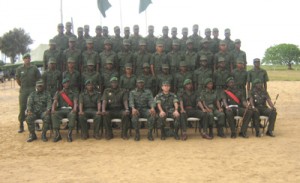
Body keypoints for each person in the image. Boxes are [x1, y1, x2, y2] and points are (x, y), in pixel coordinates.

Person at [16, 53, 41, 133]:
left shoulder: (34, 68)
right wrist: (22, 86)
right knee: (22, 107)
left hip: (32, 90)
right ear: (23, 59)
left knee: (34, 106)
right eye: (25, 58)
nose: (27, 59)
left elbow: (39, 78)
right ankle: (21, 125)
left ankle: (36, 124)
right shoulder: (19, 69)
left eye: (28, 58)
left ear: (30, 59)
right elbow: (18, 80)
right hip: (23, 90)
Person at [51, 78, 78, 142]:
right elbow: (55, 101)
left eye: (68, 83)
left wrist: (74, 108)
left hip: (69, 110)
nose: (67, 84)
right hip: (61, 110)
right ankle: (57, 135)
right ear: (63, 84)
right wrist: (53, 109)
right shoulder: (59, 93)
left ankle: (69, 134)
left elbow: (75, 101)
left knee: (73, 114)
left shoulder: (73, 92)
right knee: (54, 114)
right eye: (65, 83)